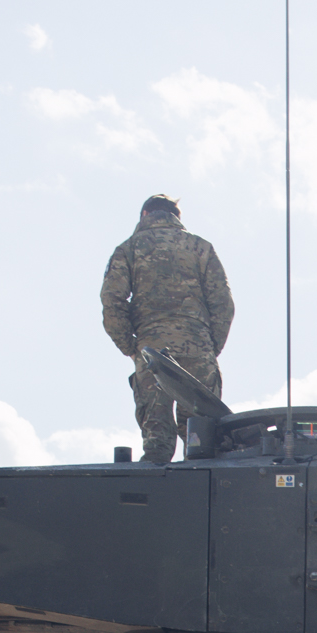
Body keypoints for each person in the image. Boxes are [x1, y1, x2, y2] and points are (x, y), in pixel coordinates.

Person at [99, 194, 234, 464]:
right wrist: (209, 345)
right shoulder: (201, 247)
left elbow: (112, 300)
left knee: (157, 445)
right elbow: (223, 303)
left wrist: (130, 346)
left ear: (145, 215)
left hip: (153, 355)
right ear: (176, 216)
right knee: (203, 445)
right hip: (198, 350)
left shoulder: (128, 249)